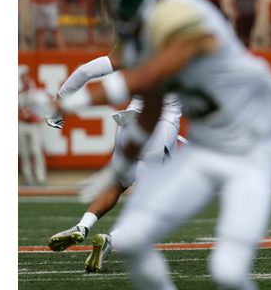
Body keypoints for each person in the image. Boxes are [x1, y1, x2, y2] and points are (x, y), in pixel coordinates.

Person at [53, 0, 271, 289]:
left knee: (227, 269)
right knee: (132, 241)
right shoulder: (140, 35)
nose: (104, 4)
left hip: (254, 143)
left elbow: (152, 73)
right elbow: (150, 108)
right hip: (208, 143)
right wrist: (117, 169)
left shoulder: (183, 12)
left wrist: (68, 103)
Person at [45, 50, 182, 274]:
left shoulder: (139, 45)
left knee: (117, 184)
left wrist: (59, 100)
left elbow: (85, 71)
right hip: (160, 128)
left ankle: (83, 225)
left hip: (128, 123)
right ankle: (111, 238)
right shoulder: (189, 49)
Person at [18, 71, 51, 186]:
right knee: (24, 152)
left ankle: (41, 178)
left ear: (30, 78)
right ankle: (28, 178)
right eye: (23, 78)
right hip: (22, 124)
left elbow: (46, 106)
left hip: (34, 125)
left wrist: (40, 117)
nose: (25, 81)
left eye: (26, 78)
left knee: (36, 151)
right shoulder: (20, 94)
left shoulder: (37, 92)